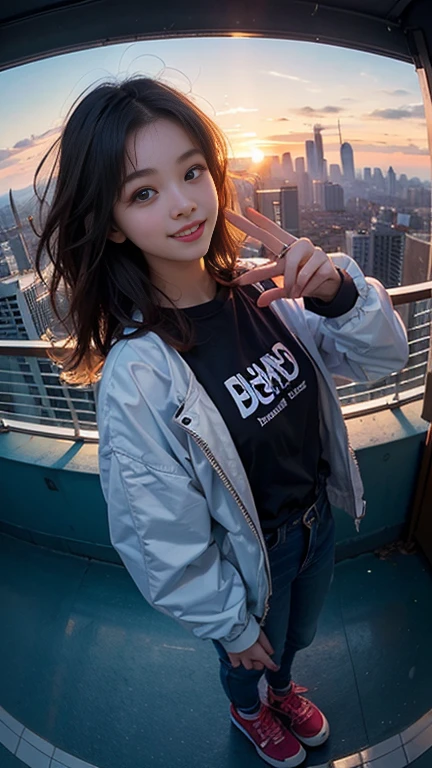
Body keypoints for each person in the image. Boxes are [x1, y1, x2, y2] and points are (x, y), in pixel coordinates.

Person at [34, 76, 409, 768]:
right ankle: (247, 706)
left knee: (295, 638)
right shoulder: (139, 371)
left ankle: (283, 687)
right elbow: (158, 531)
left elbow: (383, 357)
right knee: (249, 653)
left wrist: (339, 291)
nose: (182, 203)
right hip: (245, 557)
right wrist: (228, 623)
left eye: (192, 171)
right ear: (113, 222)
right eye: (143, 192)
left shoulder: (269, 295)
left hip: (315, 524)